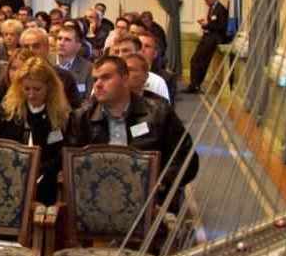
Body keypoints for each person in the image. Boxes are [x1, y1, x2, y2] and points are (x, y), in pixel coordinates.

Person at [67, 56, 199, 207]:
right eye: (95, 79)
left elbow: (186, 159)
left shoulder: (159, 112)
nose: (98, 84)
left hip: (150, 200)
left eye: (106, 78)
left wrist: (162, 182)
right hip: (97, 201)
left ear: (124, 79)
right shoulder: (81, 118)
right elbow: (71, 165)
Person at [0, 56, 71, 205]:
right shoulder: (6, 110)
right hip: (8, 174)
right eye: (27, 89)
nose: (31, 94)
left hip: (45, 179)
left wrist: (38, 171)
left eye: (37, 89)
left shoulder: (60, 114)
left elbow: (61, 153)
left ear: (49, 87)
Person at [186, 0, 229, 93]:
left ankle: (195, 85)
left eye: (207, 0)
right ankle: (194, 85)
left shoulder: (221, 9)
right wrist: (205, 25)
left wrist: (207, 25)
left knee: (201, 62)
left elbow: (222, 26)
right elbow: (213, 23)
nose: (206, 2)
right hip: (207, 37)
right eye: (205, 0)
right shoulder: (212, 8)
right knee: (195, 60)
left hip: (213, 39)